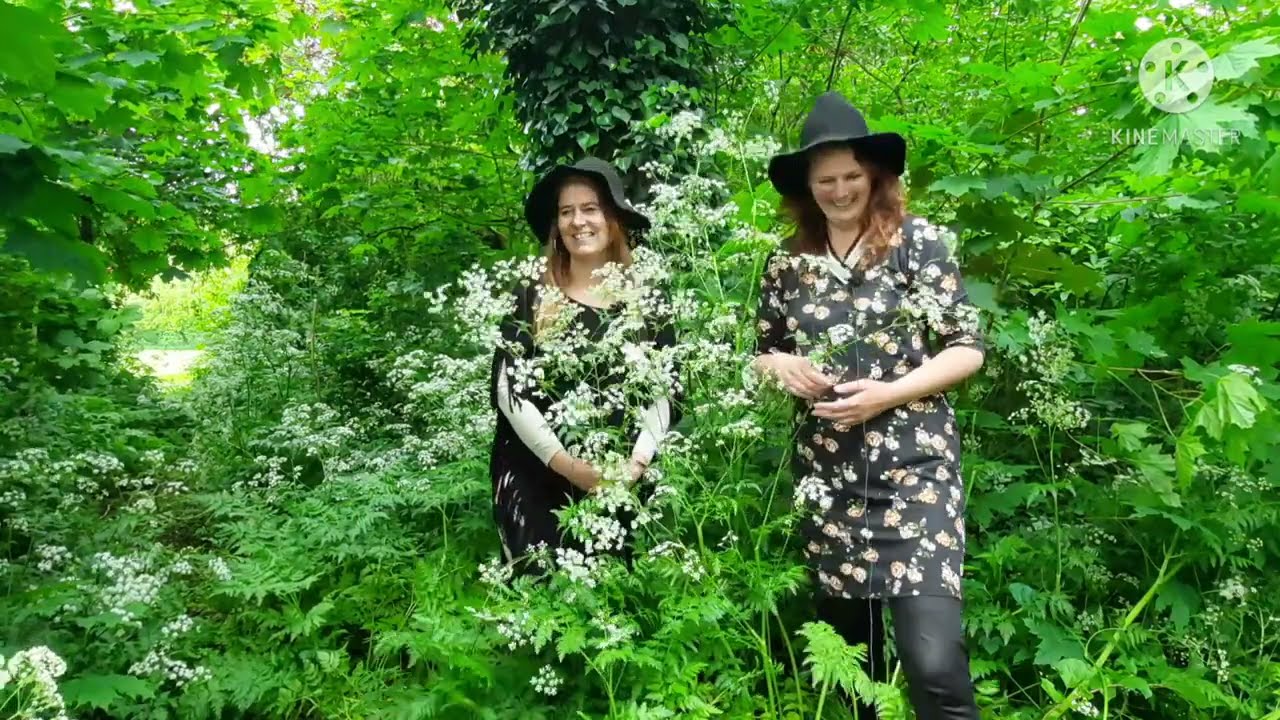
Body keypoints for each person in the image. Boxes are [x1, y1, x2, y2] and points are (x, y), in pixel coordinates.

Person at [753, 92, 986, 720]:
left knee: (934, 665)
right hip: (826, 482)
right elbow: (762, 353)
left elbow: (966, 349)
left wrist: (890, 393)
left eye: (851, 176)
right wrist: (782, 367)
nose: (840, 190)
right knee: (856, 672)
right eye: (825, 180)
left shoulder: (918, 244)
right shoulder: (785, 264)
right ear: (806, 186)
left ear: (874, 176)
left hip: (917, 477)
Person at [489, 157, 676, 571]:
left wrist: (637, 463)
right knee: (543, 592)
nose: (578, 221)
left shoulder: (647, 298)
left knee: (618, 596)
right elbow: (507, 390)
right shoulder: (532, 294)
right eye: (566, 211)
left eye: (590, 208)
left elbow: (667, 387)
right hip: (537, 477)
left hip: (622, 477)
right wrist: (566, 465)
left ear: (613, 218)